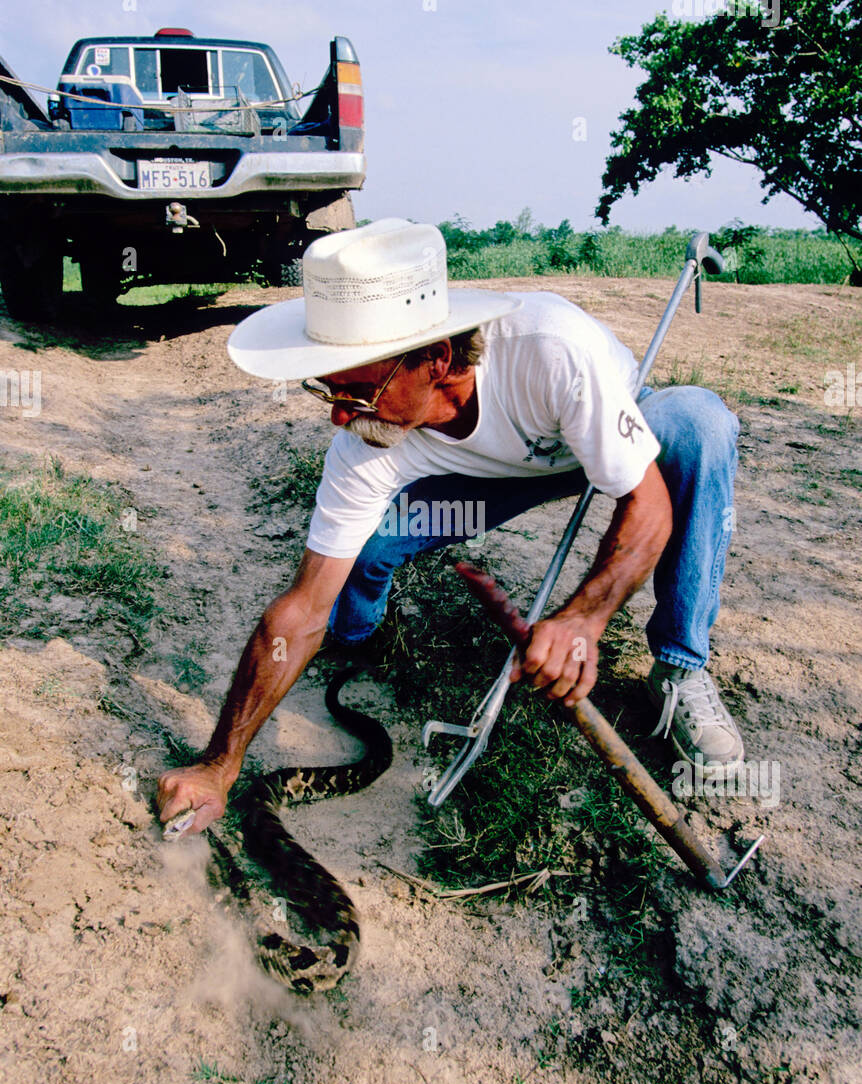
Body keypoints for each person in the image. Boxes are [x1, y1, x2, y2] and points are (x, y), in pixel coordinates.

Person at [157, 217, 744, 835]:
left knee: (699, 423)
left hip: (601, 435)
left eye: (355, 389)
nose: (338, 415)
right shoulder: (367, 436)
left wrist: (580, 619)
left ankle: (680, 668)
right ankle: (357, 645)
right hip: (496, 474)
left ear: (436, 359)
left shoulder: (548, 348)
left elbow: (647, 508)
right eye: (325, 389)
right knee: (363, 549)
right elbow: (301, 606)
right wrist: (219, 765)